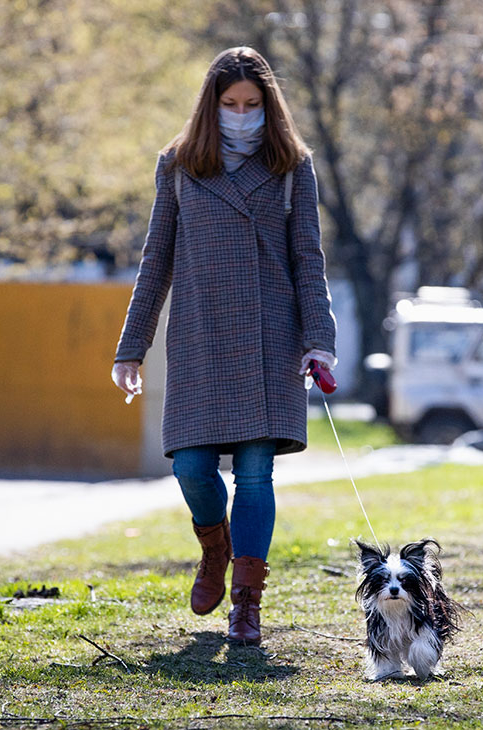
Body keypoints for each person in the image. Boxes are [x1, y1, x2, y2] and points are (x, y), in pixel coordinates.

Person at [111, 47, 336, 646]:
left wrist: (320, 341)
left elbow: (307, 259)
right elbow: (155, 260)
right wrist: (130, 348)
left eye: (253, 105)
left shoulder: (292, 166)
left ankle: (247, 605)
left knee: (256, 475)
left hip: (271, 338)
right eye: (230, 104)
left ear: (269, 106)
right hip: (200, 337)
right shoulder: (179, 165)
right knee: (191, 467)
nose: (241, 115)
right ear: (211, 106)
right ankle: (216, 549)